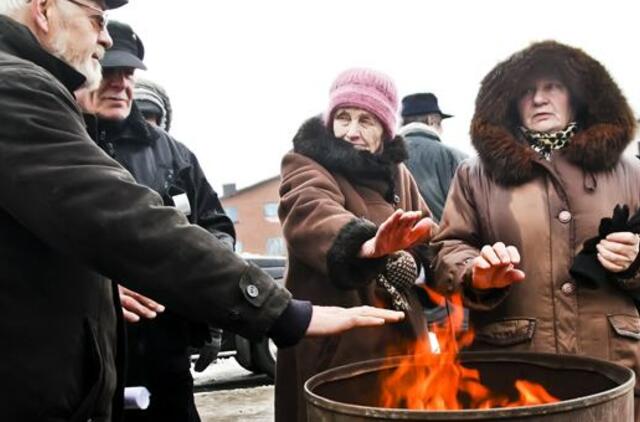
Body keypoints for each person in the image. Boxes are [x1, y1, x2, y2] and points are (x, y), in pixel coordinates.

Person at [0, 2, 404, 420]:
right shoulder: (15, 88)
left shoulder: (173, 154)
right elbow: (126, 222)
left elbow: (205, 224)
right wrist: (279, 310)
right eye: (97, 21)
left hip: (158, 348)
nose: (103, 39)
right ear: (45, 9)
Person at [430, 41, 640, 419]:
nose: (539, 99)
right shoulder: (476, 175)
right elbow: (448, 248)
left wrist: (634, 264)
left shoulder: (630, 173)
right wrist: (475, 271)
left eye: (552, 87)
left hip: (612, 367)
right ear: (512, 102)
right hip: (513, 371)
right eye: (527, 91)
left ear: (577, 96)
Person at [76, 21, 226, 422]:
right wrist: (100, 289)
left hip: (165, 347)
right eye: (108, 71)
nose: (119, 84)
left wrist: (206, 303)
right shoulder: (62, 142)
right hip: (86, 348)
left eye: (128, 74)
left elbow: (217, 227)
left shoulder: (175, 156)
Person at [276, 68, 438, 422]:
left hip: (404, 348)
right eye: (343, 117)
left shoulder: (399, 174)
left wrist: (417, 265)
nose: (351, 131)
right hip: (336, 353)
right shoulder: (305, 163)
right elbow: (311, 212)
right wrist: (366, 248)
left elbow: (430, 238)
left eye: (366, 120)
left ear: (386, 128)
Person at [399, 93, 467, 222]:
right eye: (440, 123)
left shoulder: (383, 156)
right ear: (432, 120)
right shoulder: (455, 157)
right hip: (443, 239)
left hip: (394, 239)